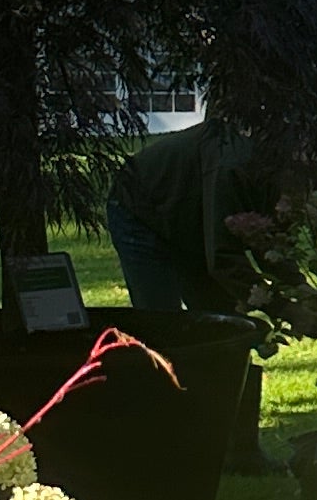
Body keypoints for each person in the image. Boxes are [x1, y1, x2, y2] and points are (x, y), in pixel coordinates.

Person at [107, 116, 285, 468]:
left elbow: (270, 247)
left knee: (229, 330)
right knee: (165, 329)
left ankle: (241, 451)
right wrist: (284, 307)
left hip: (189, 220)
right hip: (141, 212)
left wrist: (299, 296)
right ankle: (172, 448)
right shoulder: (232, 165)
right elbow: (221, 257)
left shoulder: (275, 171)